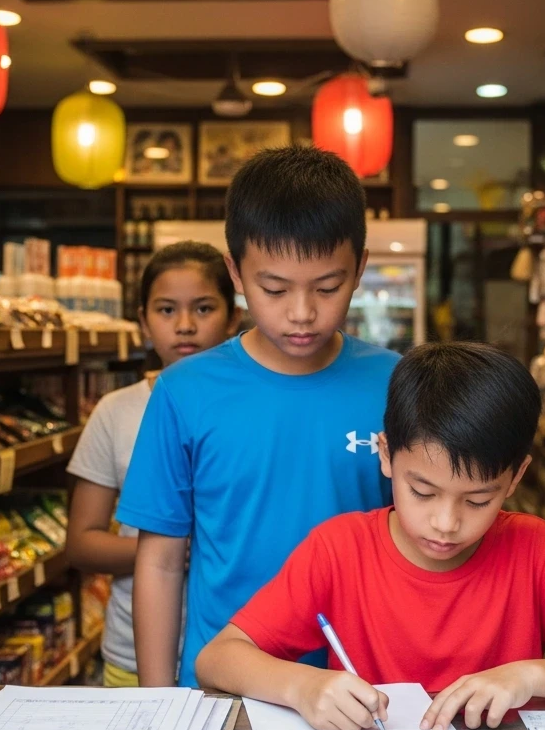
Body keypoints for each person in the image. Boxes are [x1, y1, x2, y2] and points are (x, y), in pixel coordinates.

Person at [195, 342, 545, 730]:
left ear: (515, 478)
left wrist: (530, 677)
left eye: (478, 500)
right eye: (422, 492)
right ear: (386, 454)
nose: (446, 522)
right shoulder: (339, 550)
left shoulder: (536, 550)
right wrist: (302, 686)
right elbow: (217, 660)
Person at [116, 145, 400, 687]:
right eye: (274, 289)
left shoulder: (395, 384)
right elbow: (159, 560)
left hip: (360, 685)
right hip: (222, 684)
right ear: (236, 274)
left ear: (360, 269)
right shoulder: (185, 391)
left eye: (327, 287)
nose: (301, 312)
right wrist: (157, 703)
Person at [65, 241, 239, 687]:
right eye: (166, 310)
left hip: (240, 651)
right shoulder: (115, 411)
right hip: (132, 655)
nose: (184, 326)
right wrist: (168, 551)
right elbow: (82, 543)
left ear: (233, 317)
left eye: (203, 308)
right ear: (143, 322)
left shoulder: (251, 406)